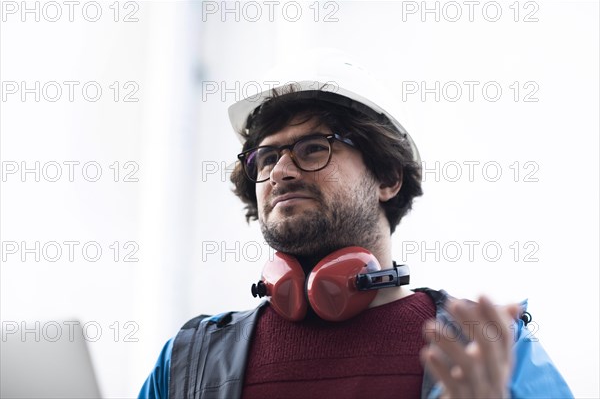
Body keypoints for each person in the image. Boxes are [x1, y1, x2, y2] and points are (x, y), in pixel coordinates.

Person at [139, 56, 573, 399]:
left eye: (313, 148)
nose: (281, 172)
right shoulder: (187, 362)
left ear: (387, 178)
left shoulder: (490, 352)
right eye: (266, 158)